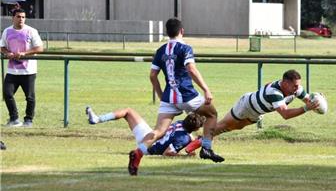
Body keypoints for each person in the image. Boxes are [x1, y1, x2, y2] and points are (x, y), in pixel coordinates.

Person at [128, 17, 221, 175]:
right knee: (212, 114)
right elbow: (191, 70)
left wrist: (161, 95)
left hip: (168, 98)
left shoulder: (160, 50)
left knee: (158, 131)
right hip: (187, 95)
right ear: (182, 31)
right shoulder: (185, 48)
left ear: (167, 32)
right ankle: (206, 148)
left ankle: (138, 153)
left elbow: (152, 75)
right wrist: (206, 89)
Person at [204, 69, 320, 160]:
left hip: (257, 112)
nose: (297, 88)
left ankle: (202, 141)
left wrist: (317, 101)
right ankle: (196, 145)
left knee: (234, 127)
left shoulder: (296, 89)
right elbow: (285, 114)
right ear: (285, 83)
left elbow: (308, 100)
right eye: (294, 85)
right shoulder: (274, 92)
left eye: (298, 85)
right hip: (245, 106)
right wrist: (305, 108)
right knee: (223, 125)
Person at [86, 106, 205, 175]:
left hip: (148, 136)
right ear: (195, 128)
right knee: (128, 112)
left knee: (128, 111)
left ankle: (98, 119)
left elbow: (185, 136)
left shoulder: (180, 123)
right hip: (147, 148)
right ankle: (96, 119)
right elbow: (167, 153)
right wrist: (185, 157)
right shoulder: (184, 138)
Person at [1, 9, 44, 127]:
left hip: (28, 71)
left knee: (30, 97)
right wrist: (7, 53)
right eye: (19, 17)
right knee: (7, 94)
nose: (21, 19)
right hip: (12, 70)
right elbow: (2, 46)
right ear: (13, 18)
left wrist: (25, 53)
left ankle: (28, 120)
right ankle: (14, 119)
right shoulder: (7, 31)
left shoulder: (31, 31)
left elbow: (39, 48)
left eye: (23, 17)